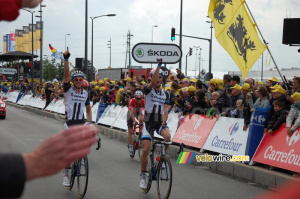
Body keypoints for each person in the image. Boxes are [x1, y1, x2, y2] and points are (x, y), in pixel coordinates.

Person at [0, 125, 98, 199]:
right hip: (70, 121)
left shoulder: (86, 98)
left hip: (82, 121)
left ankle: (81, 159)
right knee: (68, 147)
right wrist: (34, 161)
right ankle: (66, 173)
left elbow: (88, 111)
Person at [62, 47, 92, 187]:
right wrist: (66, 60)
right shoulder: (68, 90)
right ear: (74, 81)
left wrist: (90, 122)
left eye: (81, 79)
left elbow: (88, 109)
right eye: (77, 79)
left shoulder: (85, 94)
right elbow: (66, 76)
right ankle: (66, 173)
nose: (79, 81)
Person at [140, 59, 171, 190]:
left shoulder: (166, 93)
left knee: (168, 137)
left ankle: (161, 159)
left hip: (158, 121)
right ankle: (142, 174)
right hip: (148, 120)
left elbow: (165, 110)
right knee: (146, 149)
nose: (158, 80)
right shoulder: (147, 89)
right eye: (156, 78)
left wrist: (164, 120)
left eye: (160, 78)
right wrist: (158, 66)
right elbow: (152, 82)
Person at [127, 90, 145, 158]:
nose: (139, 100)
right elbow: (131, 113)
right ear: (135, 97)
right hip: (131, 113)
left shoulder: (144, 101)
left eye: (140, 98)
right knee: (130, 130)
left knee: (142, 119)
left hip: (139, 112)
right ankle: (130, 146)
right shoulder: (132, 101)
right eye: (137, 98)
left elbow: (145, 112)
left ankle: (140, 133)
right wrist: (134, 120)